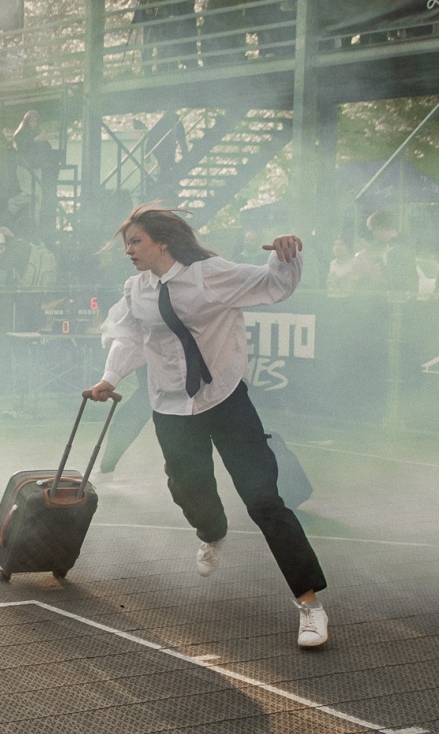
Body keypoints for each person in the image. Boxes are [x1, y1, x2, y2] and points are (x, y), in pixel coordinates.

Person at [86, 207, 332, 650]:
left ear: (162, 241)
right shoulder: (137, 290)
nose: (129, 251)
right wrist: (110, 378)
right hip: (170, 404)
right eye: (127, 244)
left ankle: (309, 603)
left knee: (264, 501)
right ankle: (212, 532)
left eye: (136, 241)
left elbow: (272, 284)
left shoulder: (210, 275)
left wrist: (285, 255)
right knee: (187, 487)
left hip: (225, 399)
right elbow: (128, 337)